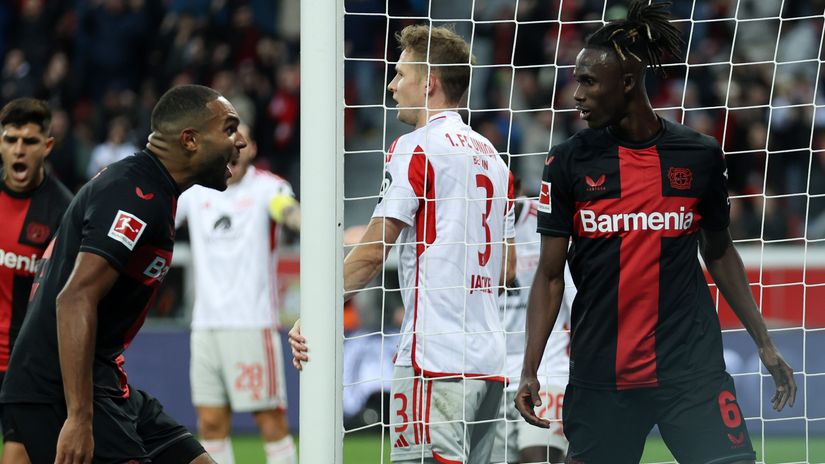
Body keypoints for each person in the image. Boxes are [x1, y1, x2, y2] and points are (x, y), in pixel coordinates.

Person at [514, 2, 796, 463]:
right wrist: (529, 369)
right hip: (603, 375)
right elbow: (549, 275)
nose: (575, 94)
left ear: (626, 83)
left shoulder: (698, 155)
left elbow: (720, 253)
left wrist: (764, 343)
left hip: (691, 372)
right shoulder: (567, 162)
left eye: (587, 81)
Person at [290, 24, 516, 463]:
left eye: (399, 74)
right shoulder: (494, 157)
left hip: (434, 358)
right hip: (490, 362)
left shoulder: (415, 147)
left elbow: (375, 252)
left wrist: (316, 313)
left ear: (428, 82)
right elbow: (506, 267)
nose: (392, 85)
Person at [0, 84, 247, 464]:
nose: (241, 141)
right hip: (58, 389)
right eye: (230, 129)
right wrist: (79, 418)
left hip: (105, 380)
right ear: (190, 140)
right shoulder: (134, 194)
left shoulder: (150, 189)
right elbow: (74, 298)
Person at [175, 123, 298, 464]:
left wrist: (308, 223)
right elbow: (163, 217)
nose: (237, 148)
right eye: (229, 141)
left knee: (270, 421)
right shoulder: (197, 191)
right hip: (205, 326)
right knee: (210, 424)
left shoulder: (269, 188)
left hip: (251, 324)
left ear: (253, 148)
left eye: (242, 142)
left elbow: (286, 211)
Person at [0, 98, 73, 464]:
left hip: (27, 368)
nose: (18, 149)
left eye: (29, 141)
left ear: (47, 146)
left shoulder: (64, 212)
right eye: (10, 139)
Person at [492, 186, 573, 464]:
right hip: (494, 372)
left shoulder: (547, 220)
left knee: (538, 458)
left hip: (548, 369)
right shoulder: (473, 227)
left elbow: (575, 300)